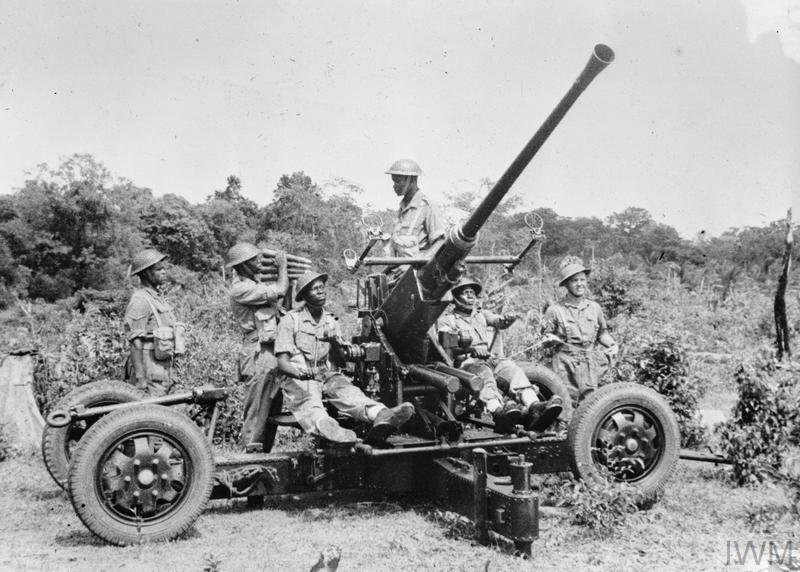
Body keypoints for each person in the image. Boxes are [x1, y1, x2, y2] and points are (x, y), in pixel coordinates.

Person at [275, 270, 415, 444]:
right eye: (314, 289)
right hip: (299, 377)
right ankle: (328, 427)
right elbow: (282, 363)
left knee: (349, 392)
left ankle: (381, 414)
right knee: (310, 401)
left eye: (322, 287)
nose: (321, 291)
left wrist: (334, 342)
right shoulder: (290, 320)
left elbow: (341, 362)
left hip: (326, 375)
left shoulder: (331, 321)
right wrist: (304, 374)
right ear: (304, 295)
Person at [436, 277, 564, 433]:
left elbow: (498, 321)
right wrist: (470, 349)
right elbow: (446, 347)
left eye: (472, 293)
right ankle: (497, 412)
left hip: (490, 359)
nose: (470, 296)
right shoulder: (447, 321)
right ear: (455, 297)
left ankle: (535, 407)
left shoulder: (482, 315)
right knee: (485, 375)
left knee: (512, 369)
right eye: (465, 293)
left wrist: (507, 319)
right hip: (466, 364)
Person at [227, 242, 290, 453]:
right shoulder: (241, 288)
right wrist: (282, 267)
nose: (259, 263)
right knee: (256, 412)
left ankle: (264, 457)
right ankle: (248, 460)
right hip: (257, 354)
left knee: (271, 409)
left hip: (270, 353)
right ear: (243, 265)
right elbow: (281, 289)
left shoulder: (255, 284)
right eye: (254, 260)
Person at [541, 256, 619, 404]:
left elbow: (602, 334)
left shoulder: (594, 307)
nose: (579, 284)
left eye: (582, 280)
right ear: (566, 284)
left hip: (589, 364)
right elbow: (544, 340)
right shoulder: (555, 310)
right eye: (574, 280)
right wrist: (550, 340)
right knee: (565, 406)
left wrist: (613, 345)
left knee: (589, 407)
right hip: (564, 364)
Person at [124, 249, 184, 397]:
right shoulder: (140, 300)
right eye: (158, 269)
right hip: (149, 375)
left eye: (164, 268)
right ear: (146, 273)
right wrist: (140, 378)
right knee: (151, 416)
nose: (164, 272)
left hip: (163, 371)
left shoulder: (157, 298)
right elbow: (136, 343)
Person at [383, 158, 446, 259]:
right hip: (399, 270)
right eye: (393, 182)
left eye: (398, 181)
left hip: (417, 271)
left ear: (411, 180)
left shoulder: (427, 206)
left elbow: (439, 243)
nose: (394, 186)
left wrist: (414, 266)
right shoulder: (403, 208)